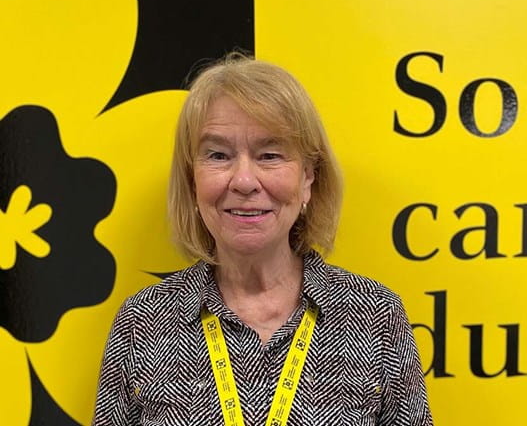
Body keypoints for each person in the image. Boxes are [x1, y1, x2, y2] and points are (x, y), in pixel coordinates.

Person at [92, 54, 433, 426]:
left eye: (270, 155)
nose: (243, 181)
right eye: (218, 155)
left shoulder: (375, 316)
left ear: (307, 178)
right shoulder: (144, 322)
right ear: (193, 180)